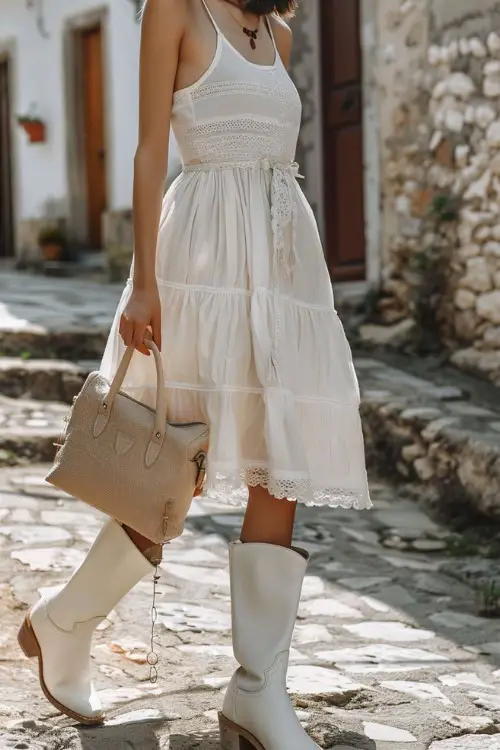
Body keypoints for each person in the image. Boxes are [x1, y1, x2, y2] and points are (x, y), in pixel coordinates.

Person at [18, 1, 371, 747]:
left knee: (281, 467)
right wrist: (144, 283)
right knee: (174, 470)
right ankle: (65, 622)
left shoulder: (275, 31)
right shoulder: (173, 10)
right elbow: (151, 152)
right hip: (198, 269)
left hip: (279, 273)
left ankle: (257, 691)